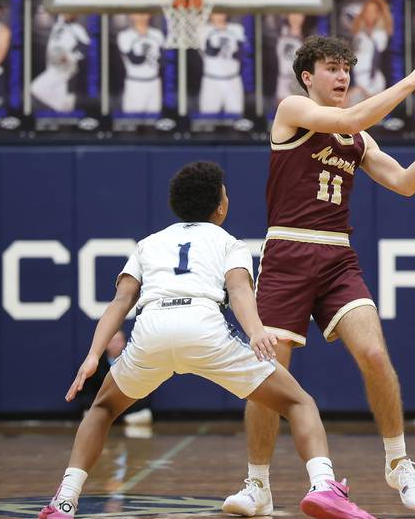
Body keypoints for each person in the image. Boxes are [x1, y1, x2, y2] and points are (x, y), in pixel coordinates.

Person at [222, 36, 415, 516]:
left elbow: (405, 183)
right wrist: (412, 82)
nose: (342, 77)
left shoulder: (360, 138)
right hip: (288, 251)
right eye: (332, 68)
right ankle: (257, 484)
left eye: (346, 69)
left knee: (375, 354)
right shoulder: (293, 109)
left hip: (337, 255)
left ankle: (398, 462)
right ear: (307, 77)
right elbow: (348, 118)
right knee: (270, 373)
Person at [38, 161, 375, 519]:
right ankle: (323, 485)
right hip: (203, 327)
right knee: (298, 402)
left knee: (103, 409)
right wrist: (256, 331)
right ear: (220, 206)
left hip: (152, 329)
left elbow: (121, 301)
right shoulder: (229, 243)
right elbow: (239, 291)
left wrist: (94, 355)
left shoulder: (148, 243)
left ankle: (65, 501)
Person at [76, 330, 153, 428]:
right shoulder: (95, 365)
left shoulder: (134, 363)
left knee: (145, 415)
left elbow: (144, 392)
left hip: (127, 410)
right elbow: (86, 393)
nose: (115, 345)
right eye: (112, 341)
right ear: (106, 344)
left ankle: (116, 420)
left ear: (125, 343)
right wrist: (102, 406)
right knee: (87, 415)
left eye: (118, 341)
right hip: (102, 407)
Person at [31, 14, 90, 112]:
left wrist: (72, 57)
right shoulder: (57, 25)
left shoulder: (76, 28)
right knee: (61, 96)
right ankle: (65, 109)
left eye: (68, 13)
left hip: (64, 66)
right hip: (52, 65)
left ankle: (65, 107)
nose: (65, 14)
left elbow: (86, 47)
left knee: (36, 88)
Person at [348, 0, 392, 105]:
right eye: (367, 10)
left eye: (373, 11)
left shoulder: (380, 34)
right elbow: (355, 56)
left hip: (373, 79)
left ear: (378, 14)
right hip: (357, 77)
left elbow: (378, 49)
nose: (369, 14)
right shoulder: (359, 34)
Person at [199, 12, 245, 115]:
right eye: (215, 13)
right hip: (211, 80)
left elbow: (241, 53)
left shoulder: (237, 29)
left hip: (232, 79)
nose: (219, 16)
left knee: (236, 115)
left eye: (221, 12)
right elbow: (210, 52)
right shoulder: (204, 30)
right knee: (208, 116)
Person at [117, 13, 163, 114]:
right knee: (132, 120)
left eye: (144, 12)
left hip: (154, 82)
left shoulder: (158, 34)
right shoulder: (124, 35)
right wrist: (147, 53)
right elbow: (135, 60)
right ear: (131, 15)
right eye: (138, 12)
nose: (141, 15)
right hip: (135, 83)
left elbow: (162, 59)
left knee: (153, 119)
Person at [275, 13, 306, 103]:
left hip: (298, 81)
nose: (295, 18)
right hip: (282, 79)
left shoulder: (307, 36)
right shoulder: (280, 32)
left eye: (299, 14)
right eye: (293, 14)